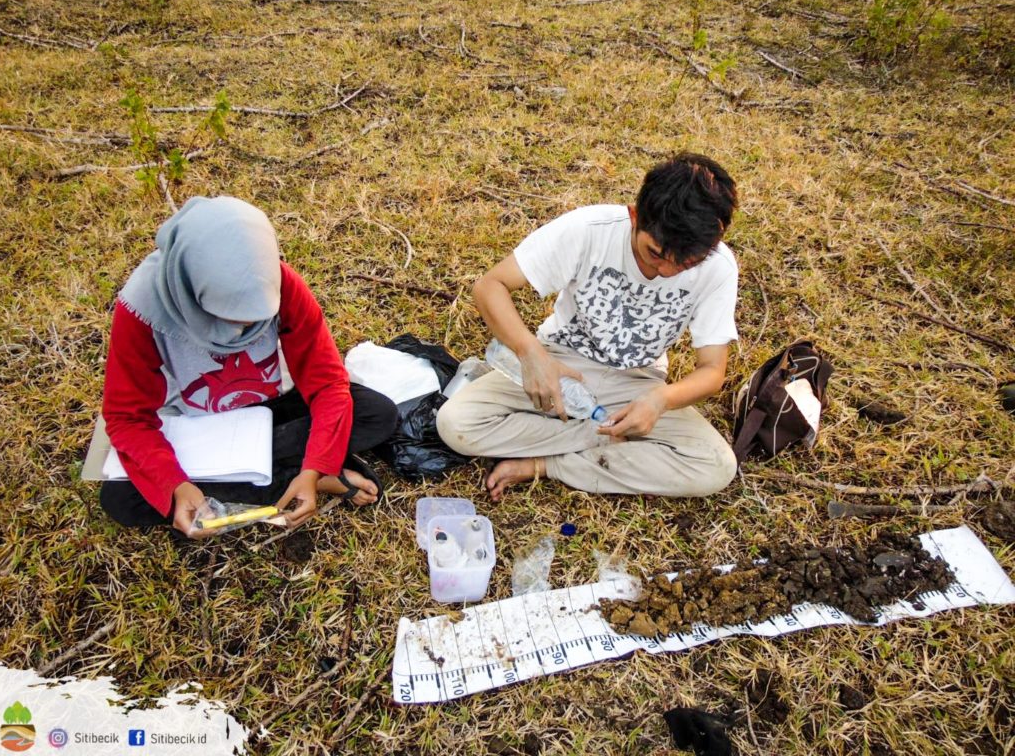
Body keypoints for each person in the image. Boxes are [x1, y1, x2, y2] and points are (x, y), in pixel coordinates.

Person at [437, 152, 739, 500]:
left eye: (686, 263)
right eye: (654, 253)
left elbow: (713, 370)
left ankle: (544, 464)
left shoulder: (718, 267)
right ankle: (611, 442)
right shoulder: (590, 229)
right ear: (634, 216)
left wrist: (660, 399)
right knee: (455, 424)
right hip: (561, 364)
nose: (666, 272)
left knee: (714, 465)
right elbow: (490, 286)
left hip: (637, 382)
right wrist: (530, 352)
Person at [99, 196, 398, 536]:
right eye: (224, 315)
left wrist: (313, 466)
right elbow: (126, 418)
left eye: (255, 319)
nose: (239, 332)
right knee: (120, 497)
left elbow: (327, 382)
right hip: (190, 424)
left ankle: (299, 474)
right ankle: (311, 479)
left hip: (268, 408)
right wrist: (175, 485)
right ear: (191, 286)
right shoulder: (142, 310)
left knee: (376, 413)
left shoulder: (279, 281)